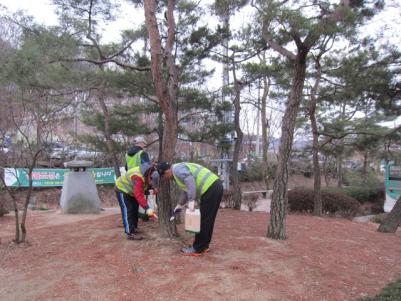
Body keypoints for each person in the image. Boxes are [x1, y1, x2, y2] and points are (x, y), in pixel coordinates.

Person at [156, 161, 223, 256]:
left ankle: (197, 248)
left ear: (166, 172)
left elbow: (190, 182)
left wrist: (192, 200)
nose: (165, 179)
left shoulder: (178, 170)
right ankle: (204, 246)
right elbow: (186, 190)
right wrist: (179, 205)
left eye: (163, 177)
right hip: (215, 186)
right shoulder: (178, 170)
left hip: (211, 188)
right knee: (208, 220)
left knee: (203, 220)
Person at [115, 162, 158, 240]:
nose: (151, 184)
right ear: (149, 177)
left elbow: (144, 187)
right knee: (128, 210)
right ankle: (129, 233)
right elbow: (139, 195)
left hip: (131, 191)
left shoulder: (149, 173)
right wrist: (147, 208)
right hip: (122, 189)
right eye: (151, 182)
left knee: (135, 208)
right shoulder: (138, 177)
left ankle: (134, 228)